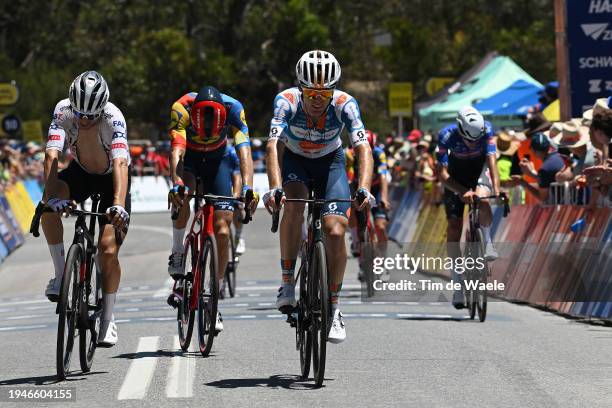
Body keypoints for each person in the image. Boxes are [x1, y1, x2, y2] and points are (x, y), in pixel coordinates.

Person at [263, 50, 374, 343]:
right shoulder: (285, 101)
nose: (316, 100)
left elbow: (362, 147)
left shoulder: (345, 104)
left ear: (333, 90)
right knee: (295, 206)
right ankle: (287, 283)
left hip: (332, 162)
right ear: (300, 88)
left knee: (335, 230)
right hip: (296, 161)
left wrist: (364, 187)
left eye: (323, 94)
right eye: (310, 93)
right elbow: (273, 145)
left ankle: (335, 307)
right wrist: (274, 187)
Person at [43, 71, 131, 347]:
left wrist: (118, 204)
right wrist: (50, 198)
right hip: (80, 173)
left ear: (101, 109)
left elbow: (120, 164)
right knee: (46, 210)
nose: (83, 120)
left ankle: (108, 318)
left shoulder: (114, 117)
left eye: (90, 116)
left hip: (111, 179)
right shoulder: (63, 110)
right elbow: (52, 155)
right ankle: (60, 276)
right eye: (80, 113)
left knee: (107, 249)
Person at [167, 86, 258, 333]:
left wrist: (248, 186)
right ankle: (177, 250)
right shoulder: (181, 107)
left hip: (218, 162)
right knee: (182, 195)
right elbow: (177, 150)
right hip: (191, 161)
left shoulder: (234, 109)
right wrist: (176, 184)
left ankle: (214, 296)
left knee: (223, 225)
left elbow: (244, 151)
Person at [436, 106, 502, 309]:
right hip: (455, 178)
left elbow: (492, 163)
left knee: (483, 198)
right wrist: (460, 191)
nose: (473, 143)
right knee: (454, 227)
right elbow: (442, 174)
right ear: (459, 129)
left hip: (478, 171)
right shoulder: (446, 136)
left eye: (476, 139)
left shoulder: (487, 130)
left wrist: (496, 191)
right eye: (469, 139)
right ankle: (457, 283)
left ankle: (488, 242)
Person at [513, 133, 564, 202]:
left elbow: (543, 198)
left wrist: (524, 184)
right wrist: (531, 174)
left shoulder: (545, 169)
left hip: (560, 205)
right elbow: (547, 181)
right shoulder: (559, 157)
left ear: (533, 151)